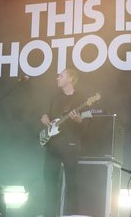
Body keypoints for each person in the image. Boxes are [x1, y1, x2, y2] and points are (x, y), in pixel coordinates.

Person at [40, 68, 87, 217]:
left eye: (61, 76)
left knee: (72, 183)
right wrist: (45, 118)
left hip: (70, 145)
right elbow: (47, 115)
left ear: (70, 79)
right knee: (49, 182)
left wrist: (77, 119)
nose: (57, 78)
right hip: (53, 144)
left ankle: (73, 214)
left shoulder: (83, 99)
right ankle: (49, 214)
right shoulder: (55, 98)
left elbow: (87, 120)